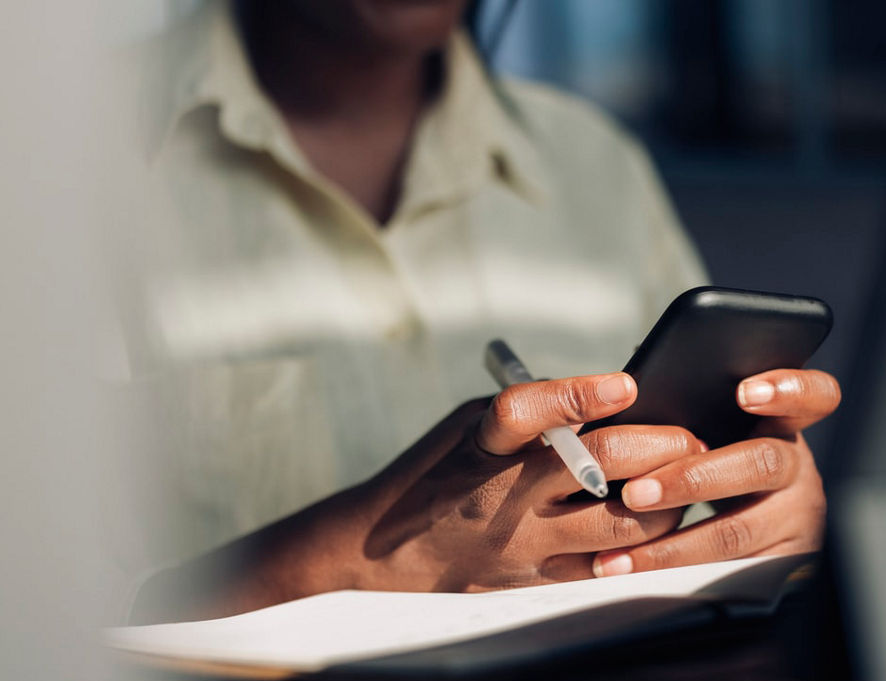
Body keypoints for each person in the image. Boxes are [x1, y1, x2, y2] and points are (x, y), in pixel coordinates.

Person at [118, 0, 840, 623]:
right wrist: (349, 561)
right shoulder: (50, 155)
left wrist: (760, 518)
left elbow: (700, 490)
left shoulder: (594, 162)